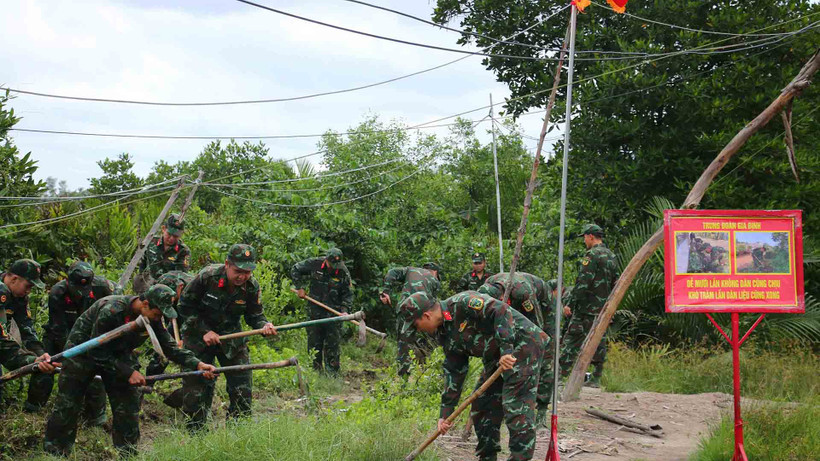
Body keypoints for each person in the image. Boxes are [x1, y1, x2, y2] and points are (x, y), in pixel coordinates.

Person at [43, 285, 217, 457]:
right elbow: (97, 352)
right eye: (158, 314)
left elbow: (170, 347)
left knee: (128, 404)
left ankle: (127, 453)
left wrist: (197, 364)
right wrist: (128, 372)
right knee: (68, 403)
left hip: (118, 355)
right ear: (145, 304)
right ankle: (56, 451)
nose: (159, 318)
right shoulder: (111, 310)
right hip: (83, 354)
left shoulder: (153, 318)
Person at [401, 291, 545, 461]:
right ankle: (487, 457)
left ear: (426, 315)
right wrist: (445, 413)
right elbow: (454, 370)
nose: (418, 331)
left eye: (416, 326)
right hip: (496, 357)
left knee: (516, 405)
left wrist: (507, 350)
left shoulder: (463, 303)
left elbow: (501, 310)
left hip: (523, 346)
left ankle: (520, 458)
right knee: (482, 404)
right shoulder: (444, 333)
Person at [179, 244, 277, 431]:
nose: (242, 276)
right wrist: (204, 331)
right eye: (238, 271)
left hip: (231, 337)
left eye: (247, 272)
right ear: (227, 264)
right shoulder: (207, 277)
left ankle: (238, 434)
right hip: (198, 338)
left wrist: (264, 325)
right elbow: (184, 307)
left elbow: (255, 315)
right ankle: (196, 435)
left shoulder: (251, 286)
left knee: (242, 388)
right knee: (197, 390)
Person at [25, 261, 120, 418]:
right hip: (60, 335)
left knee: (95, 373)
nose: (80, 294)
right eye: (77, 289)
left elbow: (118, 306)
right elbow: (58, 329)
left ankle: (95, 417)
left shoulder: (103, 286)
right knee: (45, 365)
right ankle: (33, 408)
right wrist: (71, 355)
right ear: (68, 281)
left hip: (91, 336)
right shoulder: (57, 292)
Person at [477, 272, 555, 425]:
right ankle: (503, 403)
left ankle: (542, 409)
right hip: (512, 307)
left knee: (544, 353)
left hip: (543, 306)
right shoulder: (486, 287)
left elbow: (536, 329)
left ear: (500, 298)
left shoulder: (522, 293)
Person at [559, 224, 618, 387]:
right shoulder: (611, 256)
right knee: (599, 341)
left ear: (591, 236)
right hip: (603, 309)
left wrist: (570, 303)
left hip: (586, 308)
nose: (584, 240)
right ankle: (596, 378)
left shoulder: (591, 256)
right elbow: (616, 283)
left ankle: (558, 376)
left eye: (584, 237)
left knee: (572, 339)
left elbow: (583, 283)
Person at [0, 260, 57, 408]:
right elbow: (2, 343)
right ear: (14, 279)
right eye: (28, 286)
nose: (29, 291)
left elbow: (26, 328)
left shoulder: (18, 297)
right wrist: (31, 360)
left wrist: (41, 355)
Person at [291, 248, 353, 376]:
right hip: (315, 310)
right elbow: (295, 269)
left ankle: (332, 374)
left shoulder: (343, 272)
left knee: (333, 344)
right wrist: (300, 288)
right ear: (326, 260)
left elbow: (348, 294)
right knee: (314, 342)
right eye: (332, 264)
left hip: (334, 313)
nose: (334, 267)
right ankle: (315, 373)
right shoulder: (314, 264)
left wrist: (345, 311)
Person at [380, 264, 440, 376]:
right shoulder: (435, 281)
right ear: (435, 272)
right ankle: (431, 370)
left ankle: (404, 379)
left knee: (403, 345)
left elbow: (391, 272)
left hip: (405, 311)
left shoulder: (410, 270)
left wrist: (386, 292)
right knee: (432, 341)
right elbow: (432, 304)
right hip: (424, 316)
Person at [145, 271, 193, 377]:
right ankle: (149, 380)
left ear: (180, 287)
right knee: (166, 345)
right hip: (177, 311)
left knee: (191, 349)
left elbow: (197, 321)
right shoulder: (164, 286)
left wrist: (185, 341)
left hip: (195, 318)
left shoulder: (194, 291)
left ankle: (190, 380)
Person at [134, 213, 191, 294]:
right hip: (147, 285)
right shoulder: (150, 242)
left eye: (175, 236)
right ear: (163, 229)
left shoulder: (183, 251)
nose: (171, 239)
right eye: (169, 234)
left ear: (181, 234)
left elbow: (181, 275)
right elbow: (142, 265)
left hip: (168, 290)